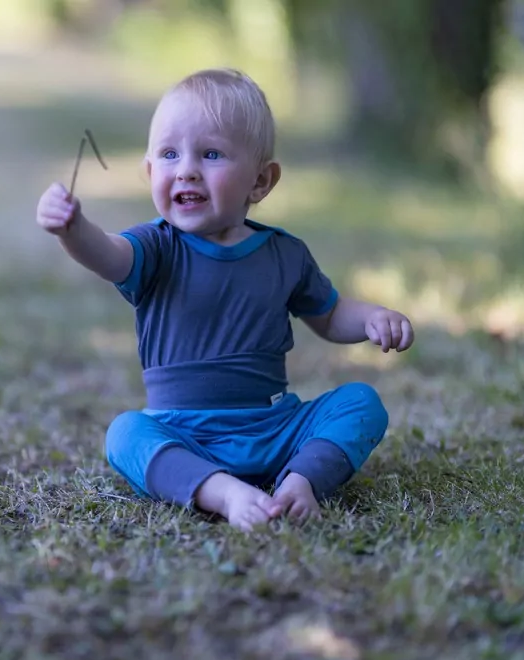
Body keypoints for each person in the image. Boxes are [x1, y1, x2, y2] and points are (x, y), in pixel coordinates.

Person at [35, 68, 414, 532]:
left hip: (276, 429)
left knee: (361, 402)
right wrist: (74, 230)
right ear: (151, 172)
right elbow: (107, 255)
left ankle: (300, 481)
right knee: (125, 434)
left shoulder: (284, 254)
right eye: (170, 154)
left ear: (260, 181)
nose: (187, 169)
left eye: (211, 153)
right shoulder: (156, 247)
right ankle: (223, 493)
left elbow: (331, 316)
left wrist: (374, 317)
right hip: (185, 435)